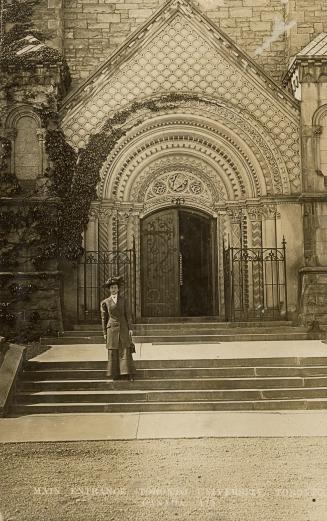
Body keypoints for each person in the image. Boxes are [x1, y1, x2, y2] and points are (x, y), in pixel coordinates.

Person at [100, 276, 136, 381]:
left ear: (118, 289)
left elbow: (128, 315)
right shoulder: (105, 302)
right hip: (111, 328)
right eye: (111, 288)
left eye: (115, 287)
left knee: (125, 349)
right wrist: (104, 332)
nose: (113, 289)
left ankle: (128, 373)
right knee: (113, 350)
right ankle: (114, 373)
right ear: (109, 289)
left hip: (123, 327)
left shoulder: (123, 300)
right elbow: (104, 318)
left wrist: (130, 328)